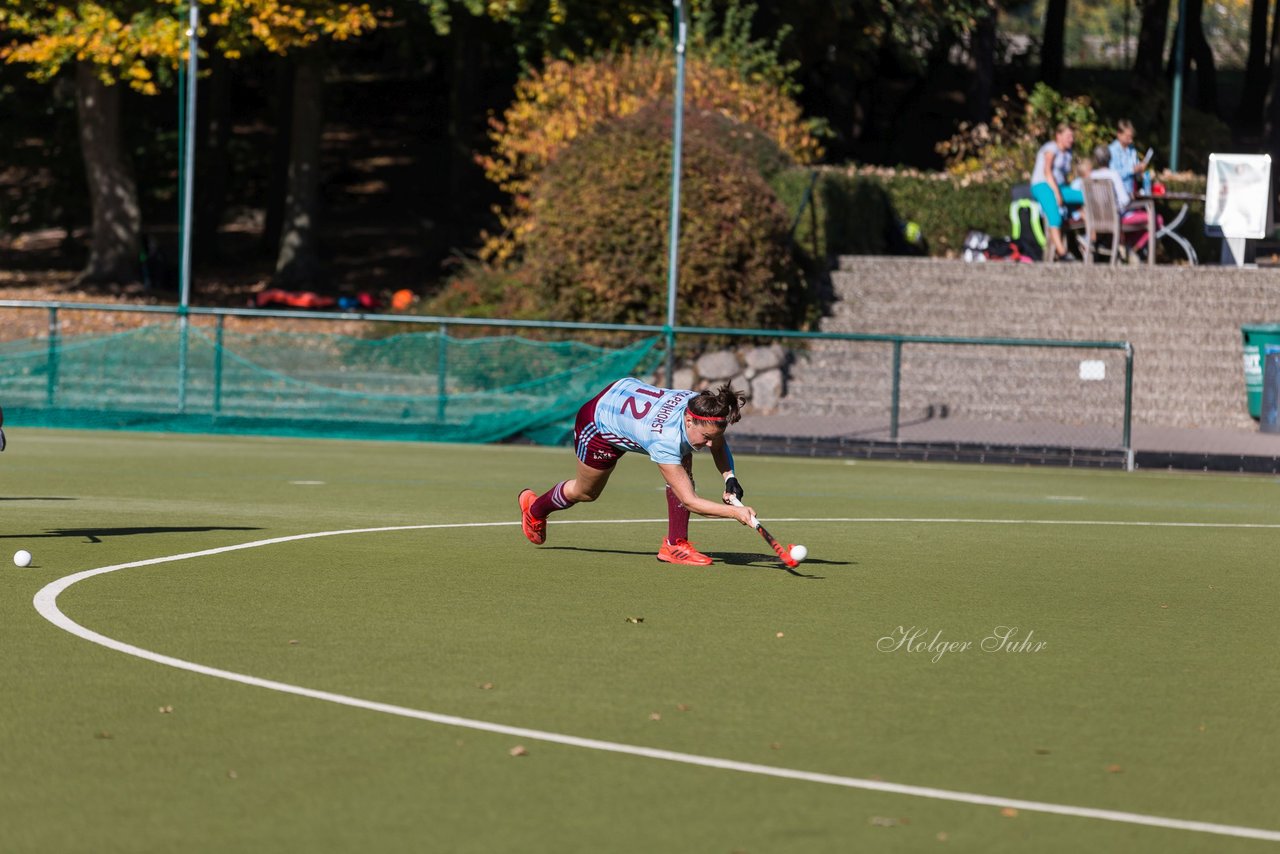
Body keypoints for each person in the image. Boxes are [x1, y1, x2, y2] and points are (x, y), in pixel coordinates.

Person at [518, 378, 757, 565]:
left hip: (627, 402)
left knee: (684, 462)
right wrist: (734, 513)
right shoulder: (665, 439)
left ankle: (675, 545)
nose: (709, 445)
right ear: (688, 421)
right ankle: (535, 509)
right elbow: (690, 501)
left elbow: (717, 441)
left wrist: (729, 477)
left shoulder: (702, 407)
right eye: (706, 438)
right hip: (599, 422)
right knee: (586, 492)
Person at [1088, 145, 1162, 254]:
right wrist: (1130, 197)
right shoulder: (1113, 175)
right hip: (1116, 218)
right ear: (1110, 159)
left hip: (1097, 218)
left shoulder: (1091, 176)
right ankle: (1133, 250)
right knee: (1157, 219)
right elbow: (1125, 201)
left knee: (1138, 216)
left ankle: (1126, 248)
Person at [1030, 123, 1083, 262]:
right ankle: (1062, 252)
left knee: (1084, 197)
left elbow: (1064, 178)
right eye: (1068, 136)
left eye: (1072, 136)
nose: (1071, 139)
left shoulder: (1068, 153)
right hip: (1042, 185)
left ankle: (1092, 238)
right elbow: (1047, 172)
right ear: (1058, 136)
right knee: (1055, 216)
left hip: (1059, 186)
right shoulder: (1051, 148)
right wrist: (1057, 194)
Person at [1107, 119, 1152, 197]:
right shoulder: (1112, 150)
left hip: (1131, 193)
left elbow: (1136, 170)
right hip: (1117, 195)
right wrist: (1132, 170)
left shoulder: (1131, 149)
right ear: (1119, 134)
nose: (1131, 140)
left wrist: (1141, 169)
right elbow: (1113, 175)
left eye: (1131, 137)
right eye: (1128, 137)